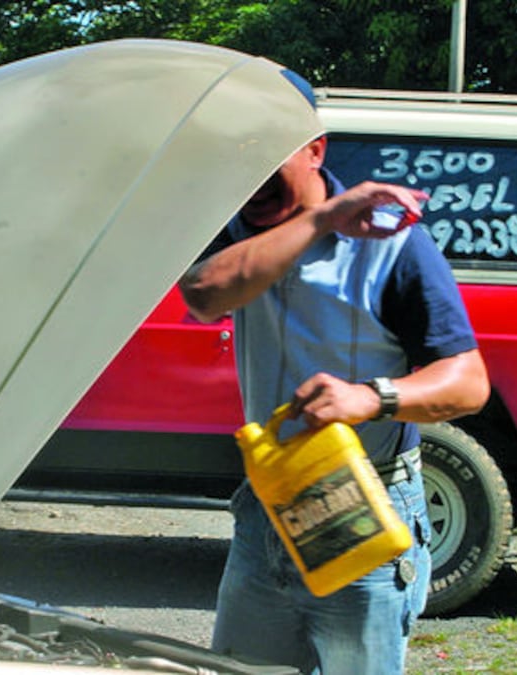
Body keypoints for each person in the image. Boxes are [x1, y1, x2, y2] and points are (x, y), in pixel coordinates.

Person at [179, 126, 490, 672]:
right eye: (240, 163)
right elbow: (204, 295)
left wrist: (372, 398)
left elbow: (468, 382)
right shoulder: (237, 234)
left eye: (267, 162)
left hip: (365, 497)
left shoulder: (394, 243)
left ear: (315, 150)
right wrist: (321, 219)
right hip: (270, 502)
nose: (250, 184)